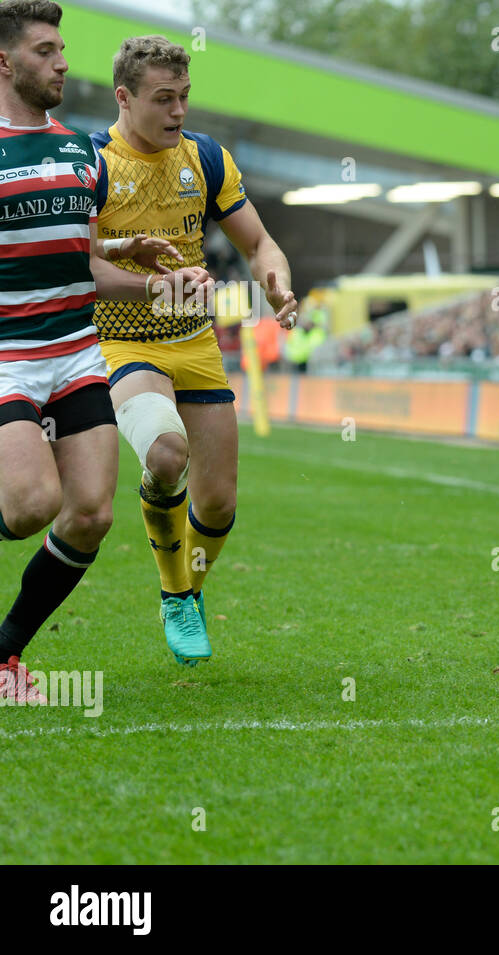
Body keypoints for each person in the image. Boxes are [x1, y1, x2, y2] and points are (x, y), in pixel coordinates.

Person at [0, 1, 208, 699]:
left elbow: (76, 254)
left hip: (77, 351)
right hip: (9, 355)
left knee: (89, 513)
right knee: (30, 504)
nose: (61, 62)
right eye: (43, 51)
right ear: (5, 62)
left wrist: (135, 261)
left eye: (61, 49)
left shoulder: (79, 152)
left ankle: (4, 657)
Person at [91, 35, 297, 666]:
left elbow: (261, 241)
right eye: (162, 99)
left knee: (218, 503)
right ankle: (177, 592)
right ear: (125, 98)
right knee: (164, 451)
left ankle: (187, 591)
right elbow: (78, 265)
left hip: (195, 341)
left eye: (183, 97)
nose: (178, 111)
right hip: (122, 339)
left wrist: (276, 280)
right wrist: (153, 284)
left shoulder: (205, 158)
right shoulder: (91, 164)